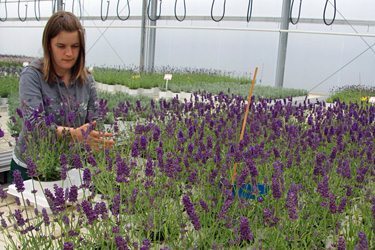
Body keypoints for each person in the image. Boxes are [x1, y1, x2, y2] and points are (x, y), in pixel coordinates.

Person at [10, 11, 115, 182]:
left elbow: (94, 120)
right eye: (61, 46)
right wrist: (74, 134)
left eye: (75, 46)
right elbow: (35, 125)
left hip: (71, 169)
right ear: (48, 45)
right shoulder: (32, 76)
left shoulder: (87, 80)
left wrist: (95, 140)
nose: (69, 53)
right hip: (31, 168)